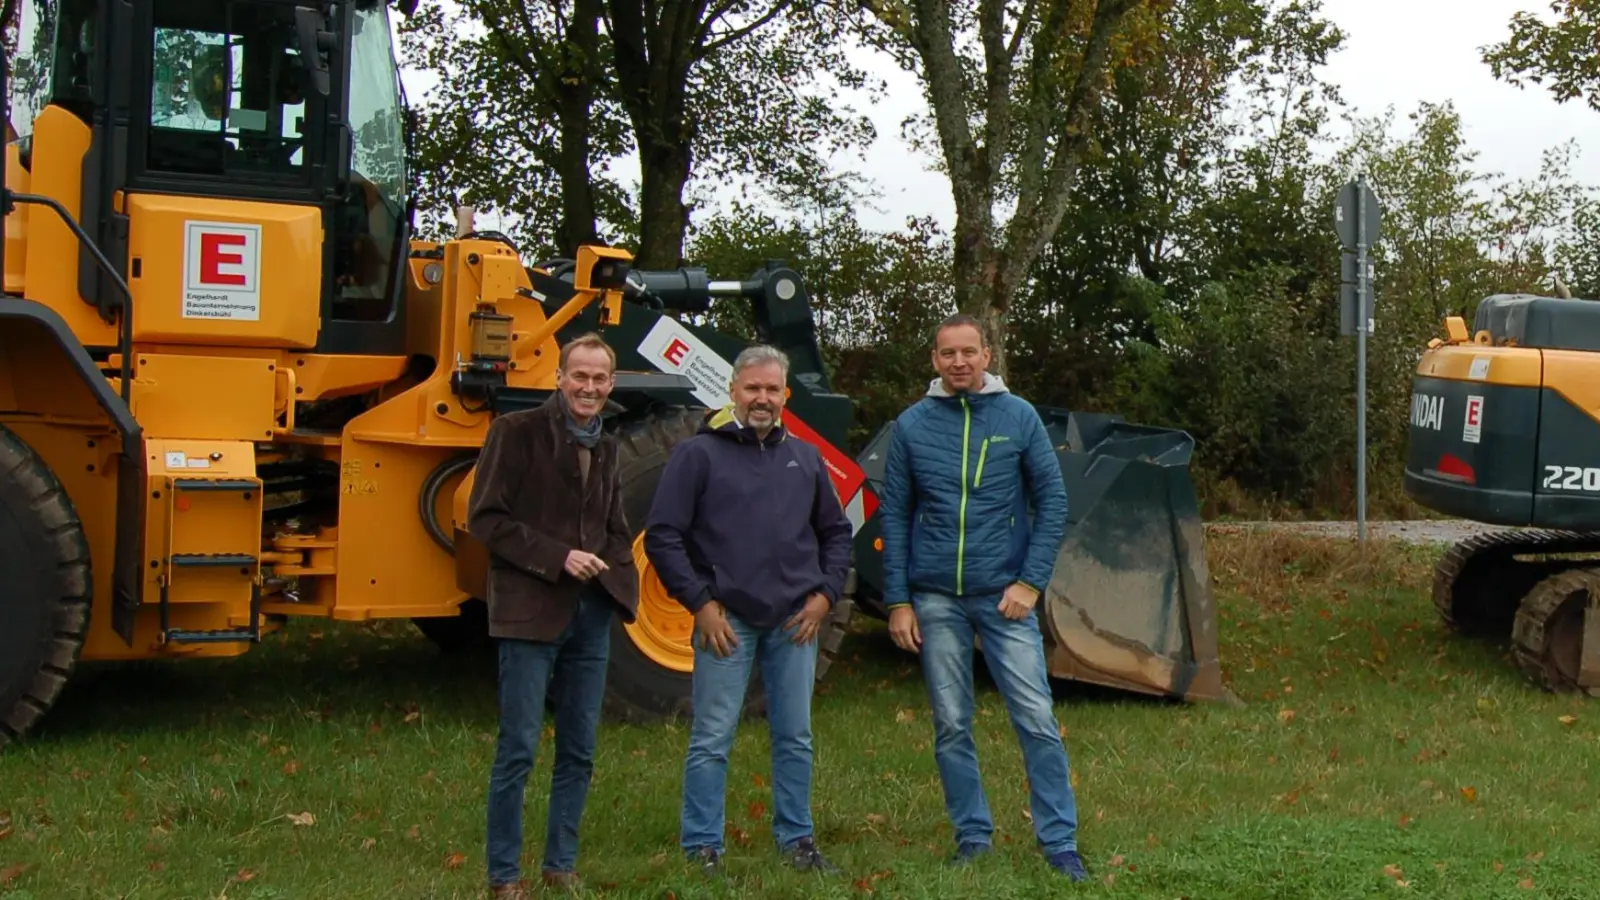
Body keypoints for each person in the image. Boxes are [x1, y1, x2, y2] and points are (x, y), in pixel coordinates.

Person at [875, 313, 1087, 881]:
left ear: (987, 355)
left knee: (1037, 717)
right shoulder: (913, 425)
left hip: (1004, 599)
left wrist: (1030, 582)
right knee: (951, 723)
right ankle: (973, 836)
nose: (959, 362)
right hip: (935, 598)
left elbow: (1053, 503)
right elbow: (893, 515)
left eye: (969, 352)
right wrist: (897, 600)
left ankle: (1059, 841)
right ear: (935, 361)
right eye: (948, 354)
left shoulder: (1018, 418)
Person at [643, 344, 853, 877]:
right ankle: (703, 846)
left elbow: (835, 533)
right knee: (713, 735)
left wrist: (824, 597)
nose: (762, 398)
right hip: (726, 622)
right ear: (733, 389)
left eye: (772, 390)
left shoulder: (804, 458)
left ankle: (798, 840)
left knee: (795, 735)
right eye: (752, 388)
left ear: (786, 395)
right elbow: (664, 536)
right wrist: (700, 604)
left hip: (795, 622)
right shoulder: (698, 455)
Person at [467, 333, 639, 899]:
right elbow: (486, 520)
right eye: (579, 376)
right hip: (530, 614)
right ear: (559, 378)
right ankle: (504, 876)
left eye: (599, 379)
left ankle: (560, 866)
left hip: (590, 618)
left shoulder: (609, 446)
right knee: (518, 747)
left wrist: (618, 582)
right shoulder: (514, 434)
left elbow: (615, 527)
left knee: (579, 748)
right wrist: (557, 557)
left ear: (610, 385)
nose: (588, 388)